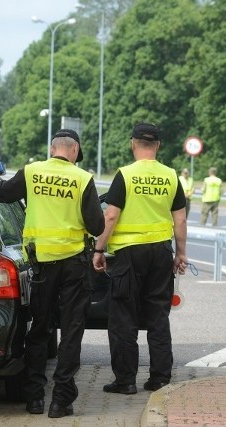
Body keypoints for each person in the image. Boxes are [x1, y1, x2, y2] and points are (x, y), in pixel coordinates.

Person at [0, 129, 104, 419]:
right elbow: (96, 226)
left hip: (41, 265)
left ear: (52, 148)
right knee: (71, 331)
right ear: (74, 151)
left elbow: (2, 195)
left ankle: (34, 399)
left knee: (40, 330)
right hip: (74, 264)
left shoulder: (32, 172)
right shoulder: (83, 179)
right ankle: (61, 402)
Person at [92, 123, 188, 395]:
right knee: (158, 316)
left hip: (128, 255)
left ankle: (125, 381)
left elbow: (110, 216)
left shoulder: (125, 175)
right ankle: (159, 378)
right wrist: (180, 253)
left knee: (123, 318)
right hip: (160, 253)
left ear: (133, 143)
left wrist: (99, 250)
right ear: (157, 146)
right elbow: (179, 220)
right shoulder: (171, 176)